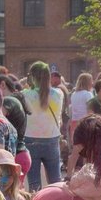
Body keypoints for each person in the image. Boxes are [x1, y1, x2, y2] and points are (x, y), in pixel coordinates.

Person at [24, 61, 64, 190]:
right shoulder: (59, 93)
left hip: (30, 139)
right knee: (55, 180)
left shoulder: (25, 94)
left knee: (34, 183)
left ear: (32, 77)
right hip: (52, 138)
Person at [69, 72, 95, 140]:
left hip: (74, 122)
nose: (92, 83)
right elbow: (90, 111)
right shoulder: (88, 94)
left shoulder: (74, 94)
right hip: (85, 123)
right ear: (88, 82)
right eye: (91, 81)